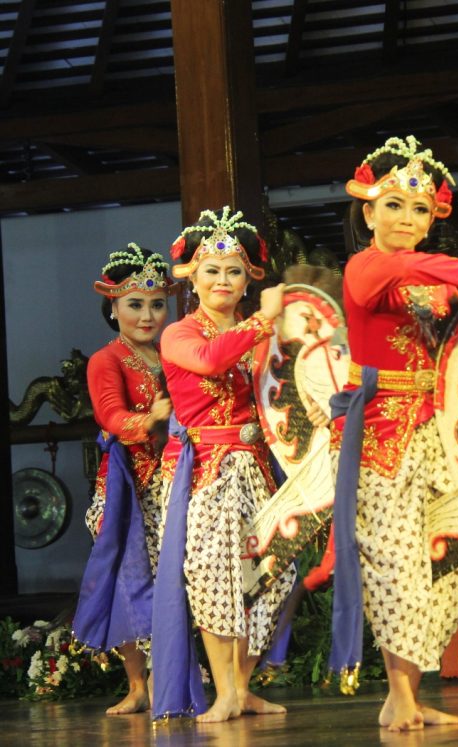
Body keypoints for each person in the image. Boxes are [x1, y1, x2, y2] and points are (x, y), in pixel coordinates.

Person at [328, 135, 458, 732]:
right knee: (395, 568)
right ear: (368, 212)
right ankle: (399, 697)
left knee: (445, 568)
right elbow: (404, 268)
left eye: (418, 209)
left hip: (441, 432)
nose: (406, 220)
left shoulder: (441, 283)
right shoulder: (365, 267)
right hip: (382, 433)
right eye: (393, 205)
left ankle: (406, 695)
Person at [152, 207, 296, 723]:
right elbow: (212, 360)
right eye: (212, 270)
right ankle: (226, 693)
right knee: (214, 578)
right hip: (209, 470)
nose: (223, 280)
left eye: (233, 270)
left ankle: (241, 685)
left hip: (256, 464)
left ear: (247, 278)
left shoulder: (261, 334)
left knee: (274, 572)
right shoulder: (178, 334)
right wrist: (264, 319)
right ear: (192, 275)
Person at [72, 244, 173, 715]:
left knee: (171, 582)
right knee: (129, 579)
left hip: (173, 481)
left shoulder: (172, 352)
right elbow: (111, 416)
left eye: (156, 303)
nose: (147, 315)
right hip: (125, 489)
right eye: (135, 304)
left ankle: (169, 679)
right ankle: (137, 687)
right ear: (113, 307)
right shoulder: (105, 360)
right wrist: (149, 418)